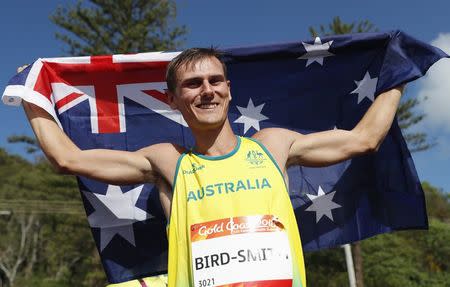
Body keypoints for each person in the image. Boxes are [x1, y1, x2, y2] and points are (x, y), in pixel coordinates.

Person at [23, 48, 404, 287]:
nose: (207, 89)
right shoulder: (168, 161)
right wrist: (31, 95)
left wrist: (397, 73)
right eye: (193, 84)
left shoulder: (273, 145)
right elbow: (67, 159)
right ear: (173, 99)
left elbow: (363, 139)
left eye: (215, 80)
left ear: (229, 89)